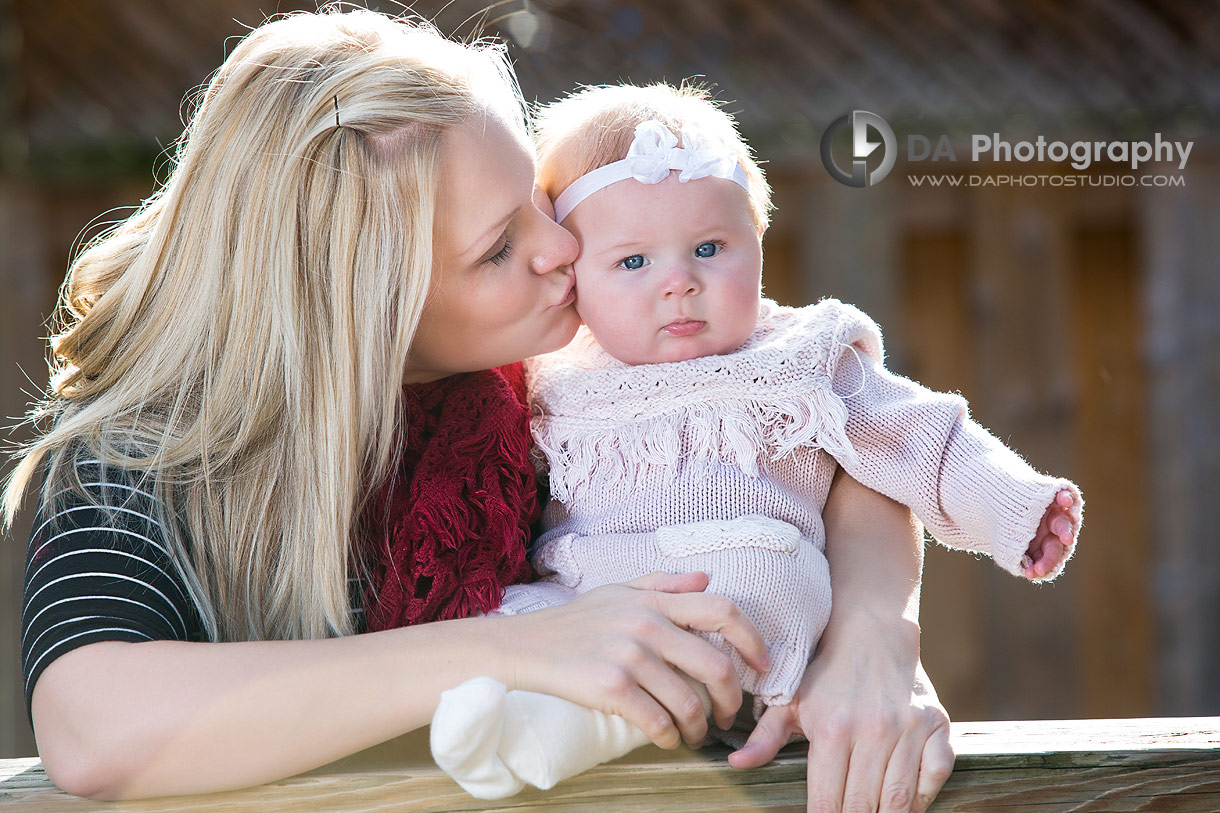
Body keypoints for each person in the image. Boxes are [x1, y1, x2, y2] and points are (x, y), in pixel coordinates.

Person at [3, 9, 953, 811]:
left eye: (536, 202)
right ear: (364, 310)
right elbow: (93, 724)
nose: (560, 250)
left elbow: (829, 421)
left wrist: (875, 636)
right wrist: (515, 647)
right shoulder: (148, 454)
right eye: (499, 248)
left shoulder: (544, 378)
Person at [427, 82, 1083, 799]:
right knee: (515, 616)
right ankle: (508, 706)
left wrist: (1017, 506)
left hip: (740, 581)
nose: (679, 282)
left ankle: (582, 727)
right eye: (634, 262)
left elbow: (921, 433)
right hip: (593, 586)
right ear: (574, 277)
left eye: (709, 247)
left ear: (759, 241)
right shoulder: (550, 379)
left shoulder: (800, 357)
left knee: (745, 592)